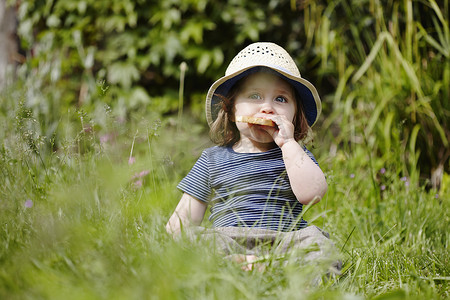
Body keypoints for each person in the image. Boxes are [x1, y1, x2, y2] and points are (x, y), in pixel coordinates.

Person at [166, 42, 340, 274]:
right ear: (230, 109)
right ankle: (250, 267)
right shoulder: (212, 159)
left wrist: (288, 145)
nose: (267, 107)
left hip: (285, 242)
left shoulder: (294, 155)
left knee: (317, 245)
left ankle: (266, 267)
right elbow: (181, 224)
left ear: (295, 115)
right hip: (229, 239)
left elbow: (313, 194)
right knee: (198, 241)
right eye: (255, 96)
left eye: (281, 99)